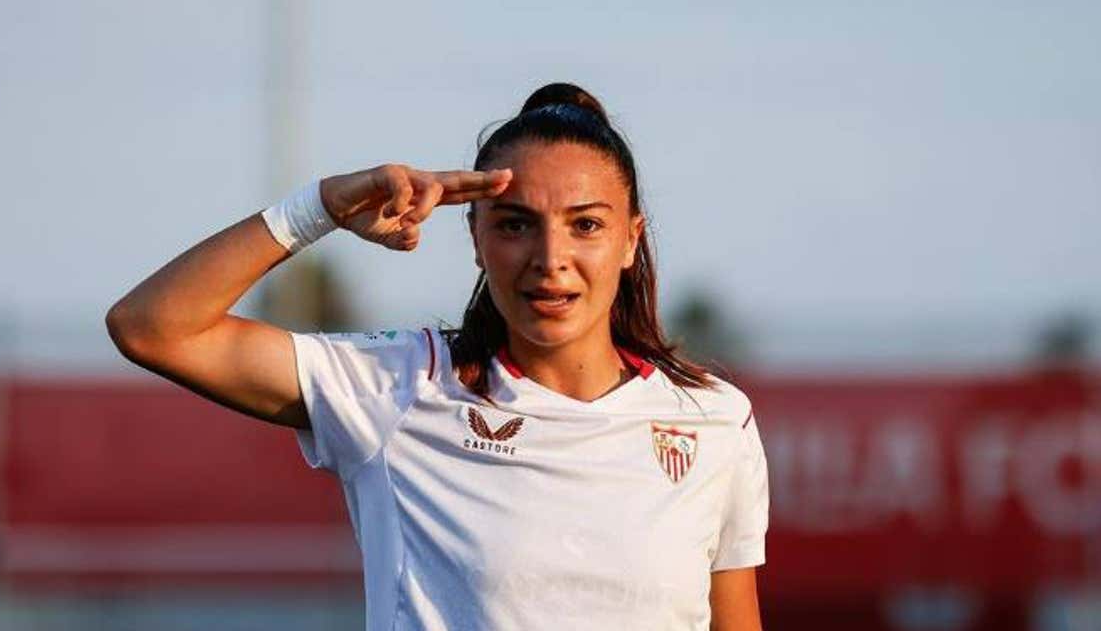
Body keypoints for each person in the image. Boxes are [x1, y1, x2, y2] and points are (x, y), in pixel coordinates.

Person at [107, 82, 768, 630]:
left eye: (586, 224)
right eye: (514, 224)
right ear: (476, 239)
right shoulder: (396, 388)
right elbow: (152, 327)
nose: (551, 260)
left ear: (630, 240)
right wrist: (322, 208)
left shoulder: (714, 420)